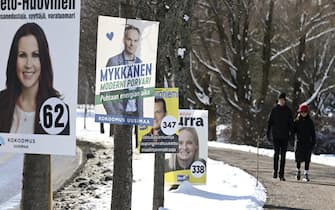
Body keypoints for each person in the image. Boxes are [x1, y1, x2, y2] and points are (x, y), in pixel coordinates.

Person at [0, 22, 69, 135]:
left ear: (43, 60)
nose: (28, 64)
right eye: (22, 55)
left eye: (35, 55)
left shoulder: (57, 111)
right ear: (14, 59)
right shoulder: (1, 103)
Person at [102, 24, 143, 117]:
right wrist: (112, 114)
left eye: (135, 41)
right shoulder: (114, 61)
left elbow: (140, 94)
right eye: (129, 39)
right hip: (119, 115)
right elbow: (105, 92)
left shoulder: (140, 63)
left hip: (135, 115)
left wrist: (141, 117)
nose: (132, 44)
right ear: (124, 40)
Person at [267, 92, 294, 181]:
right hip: (276, 136)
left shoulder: (288, 111)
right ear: (278, 101)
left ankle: (281, 174)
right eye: (280, 100)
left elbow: (291, 125)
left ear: (285, 101)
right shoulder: (274, 110)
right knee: (276, 154)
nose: (281, 102)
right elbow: (269, 123)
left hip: (285, 136)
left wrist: (291, 136)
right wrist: (268, 133)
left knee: (283, 155)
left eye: (283, 100)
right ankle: (275, 170)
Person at [293, 104, 316, 182]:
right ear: (299, 112)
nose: (303, 113)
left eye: (305, 112)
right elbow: (293, 131)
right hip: (299, 142)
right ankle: (298, 171)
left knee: (307, 158)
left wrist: (313, 142)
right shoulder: (296, 121)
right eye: (302, 112)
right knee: (298, 158)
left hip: (307, 143)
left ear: (307, 112)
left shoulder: (310, 122)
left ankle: (306, 173)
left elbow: (313, 133)